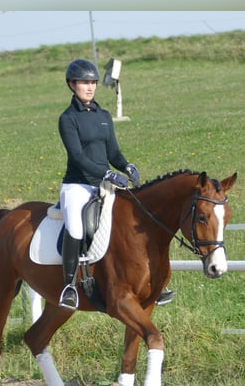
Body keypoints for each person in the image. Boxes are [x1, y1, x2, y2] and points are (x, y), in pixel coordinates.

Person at [57, 59, 174, 310]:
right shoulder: (67, 119)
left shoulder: (103, 116)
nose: (89, 87)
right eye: (84, 83)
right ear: (71, 85)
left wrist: (127, 166)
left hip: (104, 186)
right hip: (77, 186)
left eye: (93, 83)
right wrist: (108, 174)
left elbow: (113, 152)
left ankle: (152, 285)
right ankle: (68, 286)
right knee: (76, 229)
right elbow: (78, 157)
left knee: (133, 222)